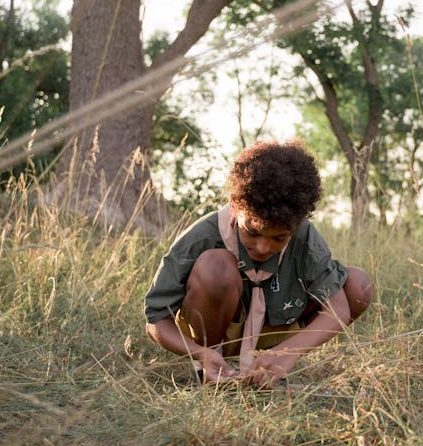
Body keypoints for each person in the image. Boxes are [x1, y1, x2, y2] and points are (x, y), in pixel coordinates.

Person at [144, 140, 372, 387]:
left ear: (296, 225)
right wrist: (202, 353)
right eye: (252, 232)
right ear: (235, 207)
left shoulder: (305, 236)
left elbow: (338, 309)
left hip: (275, 329)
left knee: (359, 285)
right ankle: (210, 372)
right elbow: (156, 321)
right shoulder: (202, 236)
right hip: (216, 335)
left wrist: (284, 354)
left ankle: (265, 370)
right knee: (215, 267)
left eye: (279, 238)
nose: (263, 247)